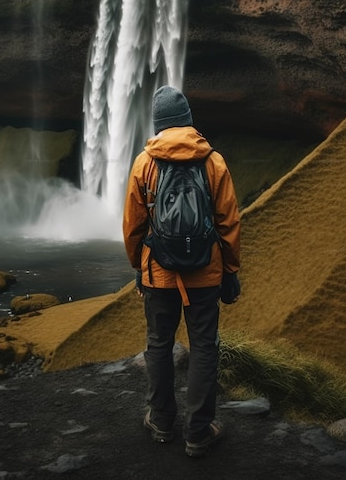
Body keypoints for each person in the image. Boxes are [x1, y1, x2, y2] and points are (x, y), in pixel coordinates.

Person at [122, 85, 241, 458]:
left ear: (159, 125)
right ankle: (198, 432)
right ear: (189, 121)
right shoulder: (213, 162)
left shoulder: (144, 163)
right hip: (206, 272)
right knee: (204, 346)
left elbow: (133, 226)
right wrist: (231, 271)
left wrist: (138, 268)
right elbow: (229, 223)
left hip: (159, 272)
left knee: (159, 344)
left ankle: (160, 421)